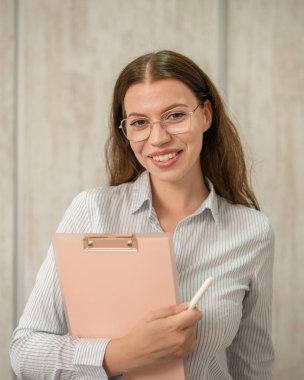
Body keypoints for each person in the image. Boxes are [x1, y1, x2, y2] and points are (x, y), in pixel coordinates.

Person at [10, 50, 274, 380]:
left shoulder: (253, 231)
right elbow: (25, 352)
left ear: (206, 115)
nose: (159, 137)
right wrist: (121, 355)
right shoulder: (91, 211)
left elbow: (253, 368)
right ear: (126, 132)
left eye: (175, 115)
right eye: (139, 122)